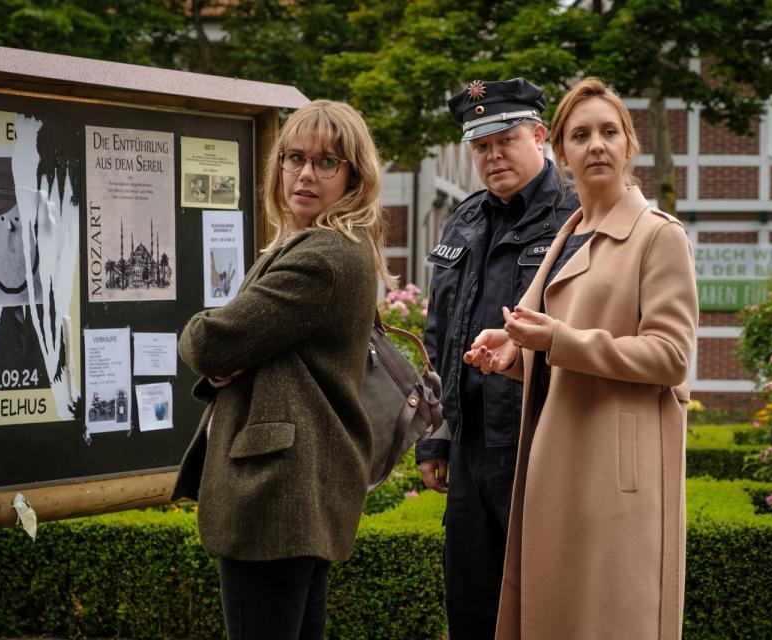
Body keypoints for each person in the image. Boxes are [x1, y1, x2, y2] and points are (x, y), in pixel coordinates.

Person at [464, 77, 699, 639]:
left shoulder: (657, 236)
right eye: (581, 134)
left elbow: (671, 357)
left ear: (628, 145)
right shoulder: (568, 234)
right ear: (561, 151)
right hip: (558, 458)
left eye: (609, 132)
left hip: (617, 473)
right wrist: (513, 354)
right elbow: (546, 342)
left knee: (610, 620)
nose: (597, 144)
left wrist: (559, 341)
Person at [171, 100, 396, 640]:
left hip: (276, 494)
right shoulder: (327, 245)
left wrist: (217, 339)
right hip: (300, 492)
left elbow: (210, 343)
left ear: (354, 176)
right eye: (294, 157)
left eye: (326, 162)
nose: (304, 173)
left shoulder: (322, 255)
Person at [415, 78, 578, 639]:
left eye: (505, 140)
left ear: (539, 136)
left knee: (543, 604)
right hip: (471, 448)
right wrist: (435, 438)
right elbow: (438, 336)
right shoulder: (465, 219)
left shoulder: (575, 220)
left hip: (542, 442)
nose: (493, 155)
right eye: (480, 146)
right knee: (469, 603)